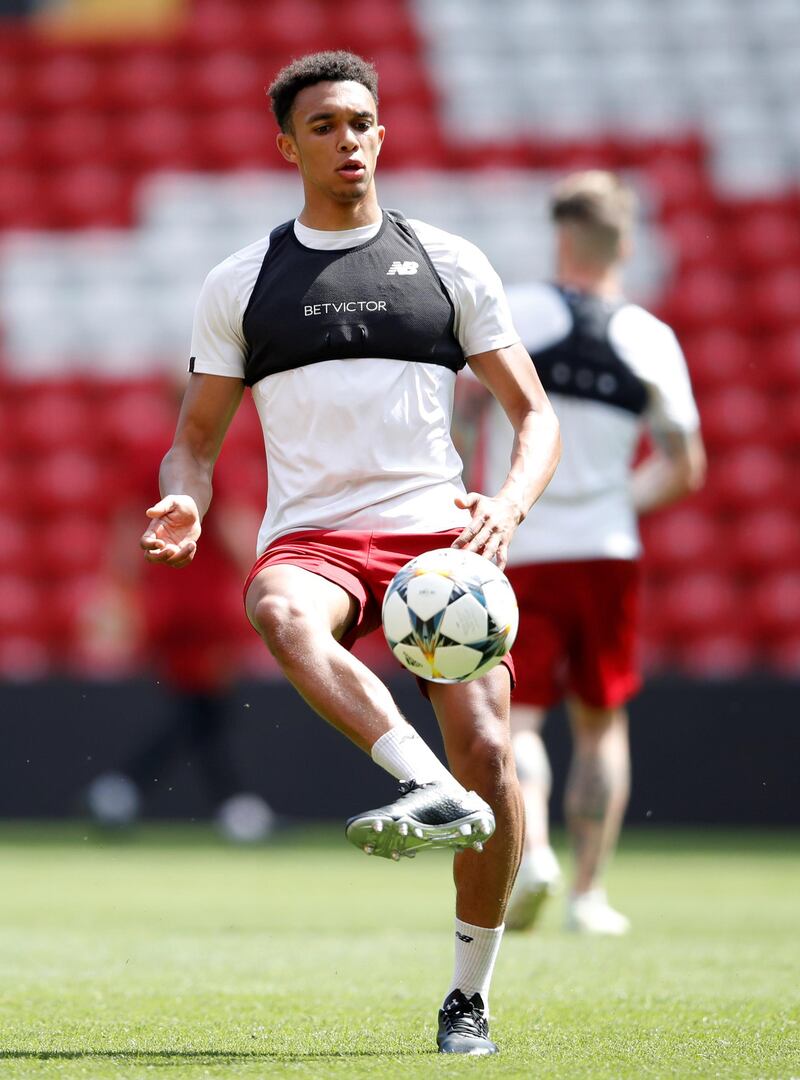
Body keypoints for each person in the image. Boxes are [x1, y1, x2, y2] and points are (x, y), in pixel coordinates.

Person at [139, 52, 560, 1055]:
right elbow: (195, 438)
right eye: (323, 125)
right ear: (287, 145)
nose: (348, 141)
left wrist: (503, 505)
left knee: (495, 759)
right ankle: (425, 786)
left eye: (360, 122)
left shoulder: (448, 263)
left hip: (434, 541)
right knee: (279, 610)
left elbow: (530, 414)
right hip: (314, 536)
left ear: (383, 134)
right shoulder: (241, 282)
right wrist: (182, 497)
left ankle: (468, 995)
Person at [481, 171, 705, 935]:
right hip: (606, 549)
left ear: (562, 236)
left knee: (522, 716)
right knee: (601, 721)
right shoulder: (651, 337)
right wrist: (616, 501)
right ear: (626, 243)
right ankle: (589, 896)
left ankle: (533, 848)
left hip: (518, 542)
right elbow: (687, 466)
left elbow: (459, 405)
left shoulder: (518, 309)